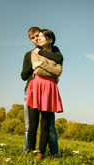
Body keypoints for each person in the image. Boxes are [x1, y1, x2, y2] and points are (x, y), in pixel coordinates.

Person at [21, 26, 63, 155]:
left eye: (38, 36)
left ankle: (52, 153)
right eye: (32, 38)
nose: (36, 39)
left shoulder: (54, 52)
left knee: (49, 126)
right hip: (32, 88)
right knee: (30, 125)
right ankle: (28, 151)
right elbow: (24, 75)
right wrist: (34, 68)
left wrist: (41, 64)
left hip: (48, 90)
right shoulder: (30, 54)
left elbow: (58, 68)